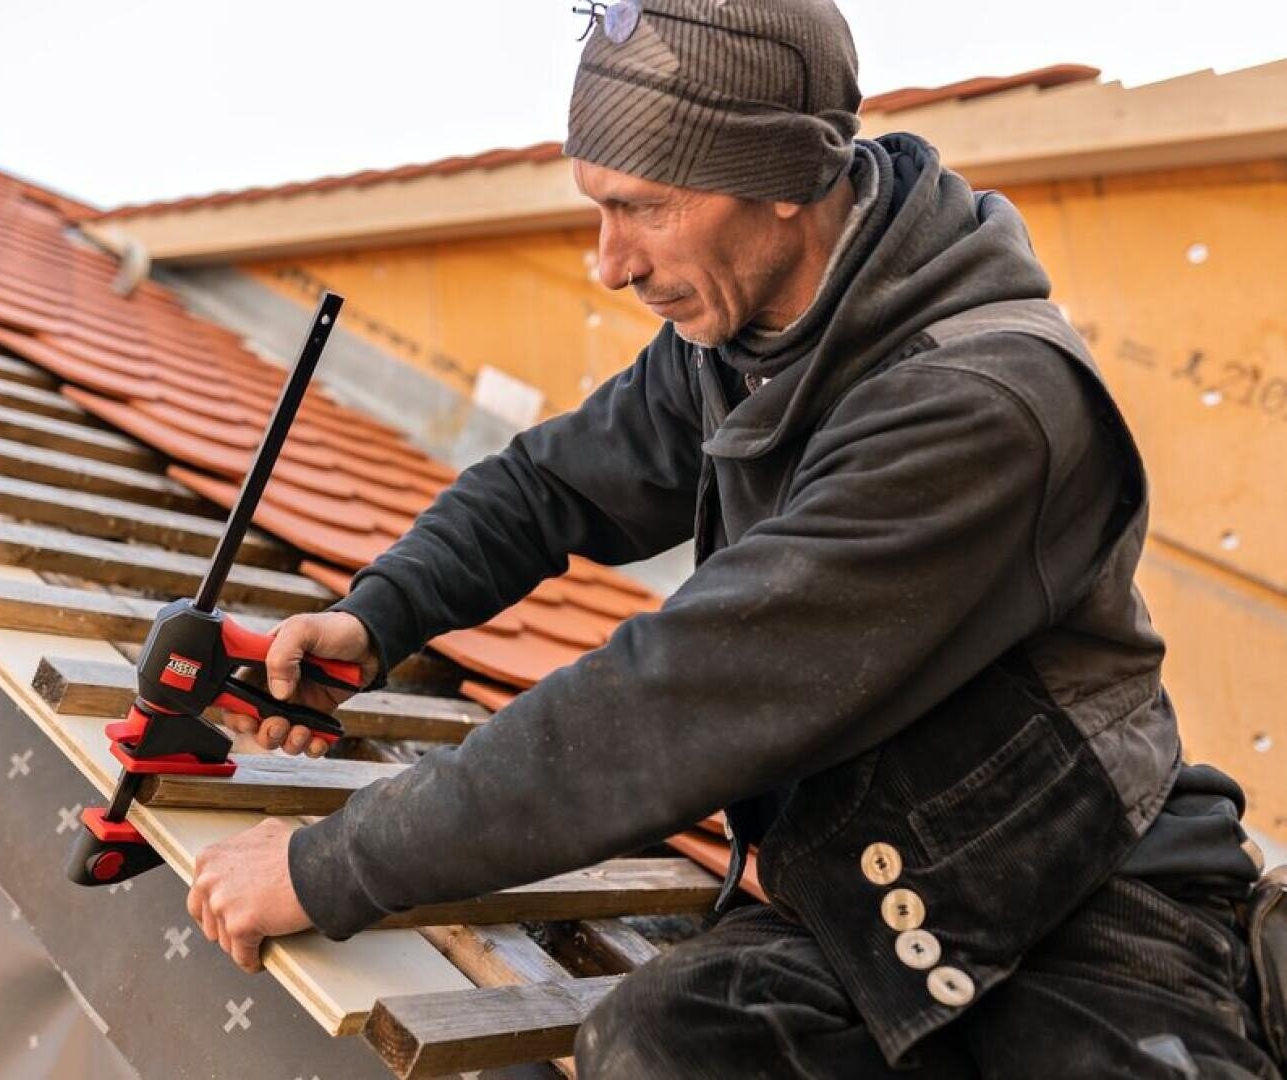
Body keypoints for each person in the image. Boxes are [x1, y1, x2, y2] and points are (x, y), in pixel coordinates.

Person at [185, 1, 1280, 1074]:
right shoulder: (751, 335)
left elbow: (675, 701)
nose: (606, 262)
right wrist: (376, 613)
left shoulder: (982, 407)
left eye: (642, 208)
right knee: (657, 1041)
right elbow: (544, 487)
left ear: (787, 185)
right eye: (595, 209)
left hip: (1078, 901)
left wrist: (329, 866)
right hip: (860, 892)